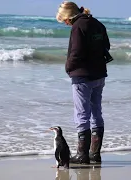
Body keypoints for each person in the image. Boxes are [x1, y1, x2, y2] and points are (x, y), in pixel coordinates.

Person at [56, 1, 112, 164]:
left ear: (68, 17)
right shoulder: (97, 24)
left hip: (82, 76)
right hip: (99, 75)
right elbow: (106, 46)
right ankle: (95, 154)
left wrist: (68, 67)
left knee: (82, 114)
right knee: (96, 113)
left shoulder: (78, 27)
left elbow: (76, 52)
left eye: (64, 20)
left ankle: (82, 155)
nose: (65, 24)